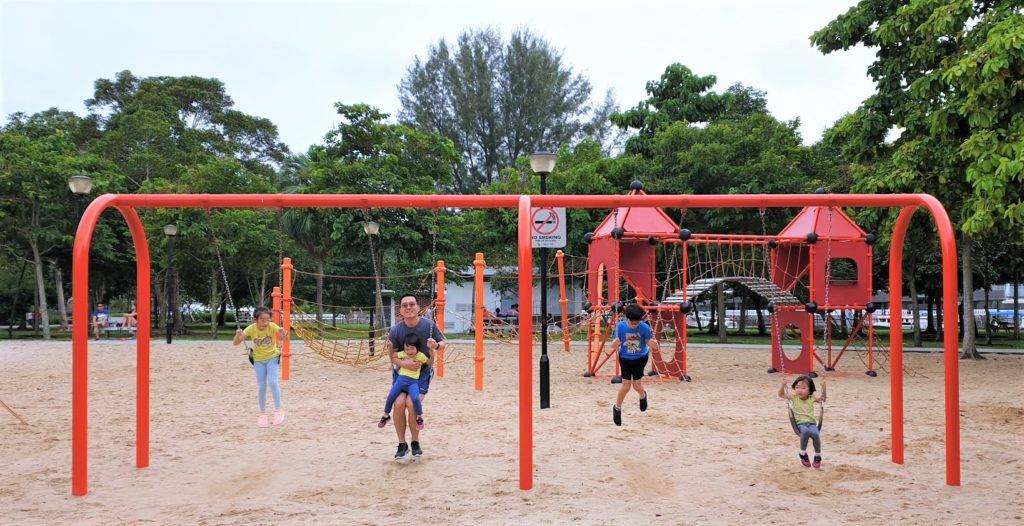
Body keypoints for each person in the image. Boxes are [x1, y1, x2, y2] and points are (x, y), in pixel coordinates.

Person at [384, 293, 447, 459]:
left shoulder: (429, 325)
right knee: (398, 404)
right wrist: (403, 363)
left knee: (412, 404)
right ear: (400, 311)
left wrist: (436, 345)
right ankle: (401, 443)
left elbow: (443, 343)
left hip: (422, 373)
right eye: (405, 305)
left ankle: (415, 441)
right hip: (403, 374)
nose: (409, 307)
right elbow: (394, 357)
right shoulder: (396, 330)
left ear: (418, 308)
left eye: (412, 304)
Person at [233, 306, 288, 428]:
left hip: (272, 357)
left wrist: (283, 334)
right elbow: (236, 343)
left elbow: (285, 338)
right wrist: (238, 335)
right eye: (263, 320)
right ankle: (262, 415)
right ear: (255, 320)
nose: (266, 323)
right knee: (262, 386)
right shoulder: (251, 329)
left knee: (273, 382)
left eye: (268, 320)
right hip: (258, 361)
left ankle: (279, 411)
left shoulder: (272, 326)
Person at [609, 303, 659, 426]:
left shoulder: (645, 328)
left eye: (637, 323)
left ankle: (643, 396)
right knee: (626, 386)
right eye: (632, 323)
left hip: (640, 357)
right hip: (625, 358)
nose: (635, 325)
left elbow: (648, 342)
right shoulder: (620, 326)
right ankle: (617, 408)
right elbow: (616, 344)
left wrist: (654, 344)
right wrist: (614, 344)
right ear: (627, 319)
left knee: (636, 386)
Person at [377, 333, 429, 431]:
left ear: (417, 348)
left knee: (415, 399)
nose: (409, 351)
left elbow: (429, 362)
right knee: (390, 397)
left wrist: (432, 351)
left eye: (412, 349)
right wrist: (391, 347)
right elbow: (393, 356)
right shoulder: (403, 354)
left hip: (413, 382)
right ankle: (386, 415)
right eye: (407, 349)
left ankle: (419, 417)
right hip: (400, 380)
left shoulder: (420, 356)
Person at [778, 375, 827, 469]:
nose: (799, 390)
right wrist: (782, 385)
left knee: (816, 434)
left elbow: (823, 399)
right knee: (806, 432)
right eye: (797, 387)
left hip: (812, 423)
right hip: (800, 424)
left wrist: (824, 387)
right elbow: (781, 395)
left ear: (810, 390)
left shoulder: (811, 398)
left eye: (803, 388)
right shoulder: (794, 397)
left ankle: (817, 456)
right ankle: (803, 453)